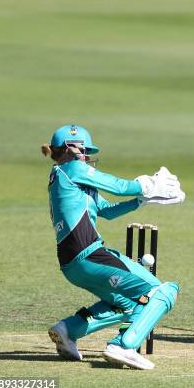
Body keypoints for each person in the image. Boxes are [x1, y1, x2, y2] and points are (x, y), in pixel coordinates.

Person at [42, 124, 184, 370]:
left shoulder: (64, 177)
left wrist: (139, 202)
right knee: (162, 291)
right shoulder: (73, 168)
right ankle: (123, 346)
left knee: (130, 303)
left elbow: (106, 210)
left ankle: (68, 330)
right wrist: (147, 185)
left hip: (72, 263)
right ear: (71, 148)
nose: (86, 157)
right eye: (84, 151)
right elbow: (118, 186)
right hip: (89, 254)